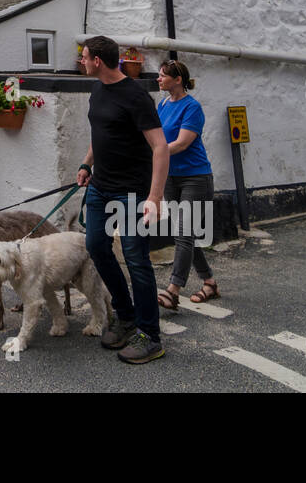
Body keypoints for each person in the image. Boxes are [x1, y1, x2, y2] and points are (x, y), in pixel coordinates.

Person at [76, 35, 171, 364]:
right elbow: (100, 132)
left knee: (136, 259)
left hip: (133, 193)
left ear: (98, 60)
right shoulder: (97, 90)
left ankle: (150, 336)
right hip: (101, 187)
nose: (81, 62)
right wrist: (88, 163)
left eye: (84, 57)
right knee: (97, 247)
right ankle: (126, 314)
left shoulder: (136, 96)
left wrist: (154, 197)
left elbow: (160, 147)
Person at [155, 60, 220, 309]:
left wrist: (154, 154)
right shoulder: (162, 104)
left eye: (163, 76)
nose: (159, 79)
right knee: (185, 234)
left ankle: (173, 290)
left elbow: (181, 143)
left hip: (196, 178)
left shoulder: (192, 107)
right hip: (171, 178)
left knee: (183, 233)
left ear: (178, 79)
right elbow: (158, 138)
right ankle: (209, 282)